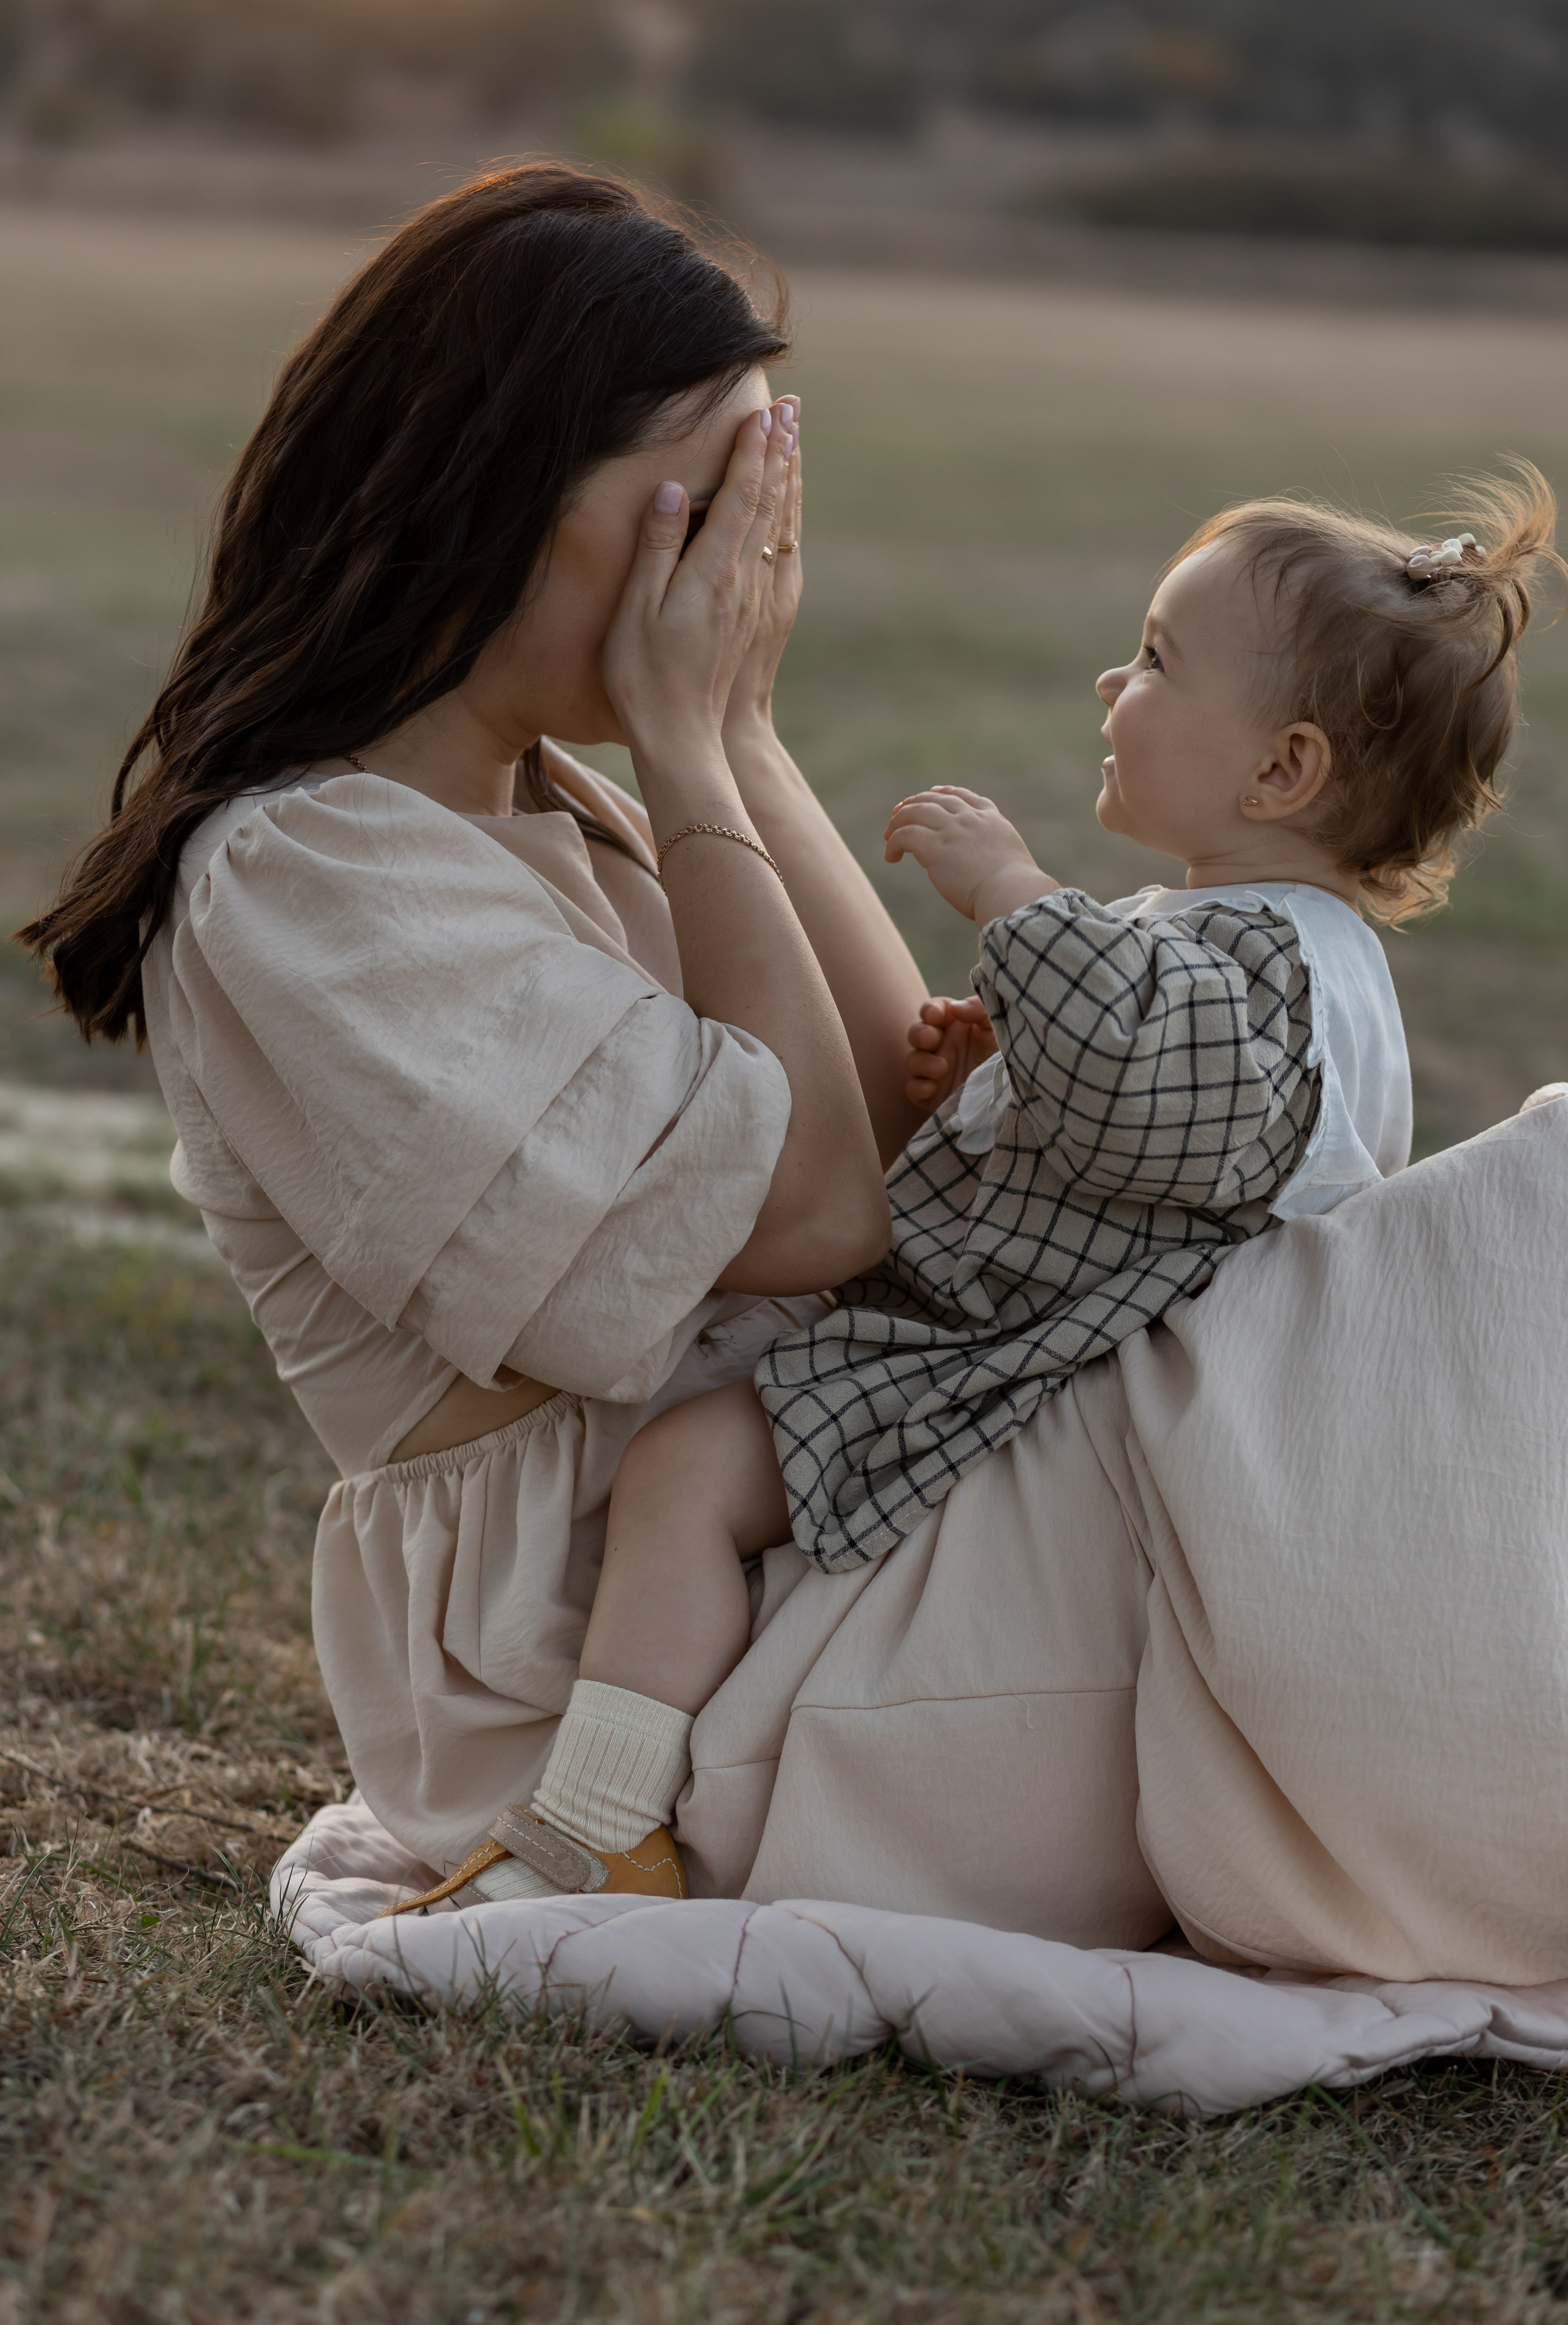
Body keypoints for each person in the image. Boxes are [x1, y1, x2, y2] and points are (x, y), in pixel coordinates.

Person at [430, 469, 1564, 1917]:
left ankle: (597, 1818)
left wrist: (1015, 898)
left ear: (1280, 774)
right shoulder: (1264, 952)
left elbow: (1151, 1083)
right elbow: (1142, 1118)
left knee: (687, 1471)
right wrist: (989, 1062)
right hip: (1061, 1363)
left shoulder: (1276, 963)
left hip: (1032, 1387)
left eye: (1155, 659)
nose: (1112, 678)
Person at [18, 165, 928, 1902]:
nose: (739, 558)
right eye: (701, 500)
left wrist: (728, 728)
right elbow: (823, 1220)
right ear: (495, 492)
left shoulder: (580, 806)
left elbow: (891, 1124)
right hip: (606, 1673)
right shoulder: (310, 882)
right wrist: (694, 748)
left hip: (804, 1555)